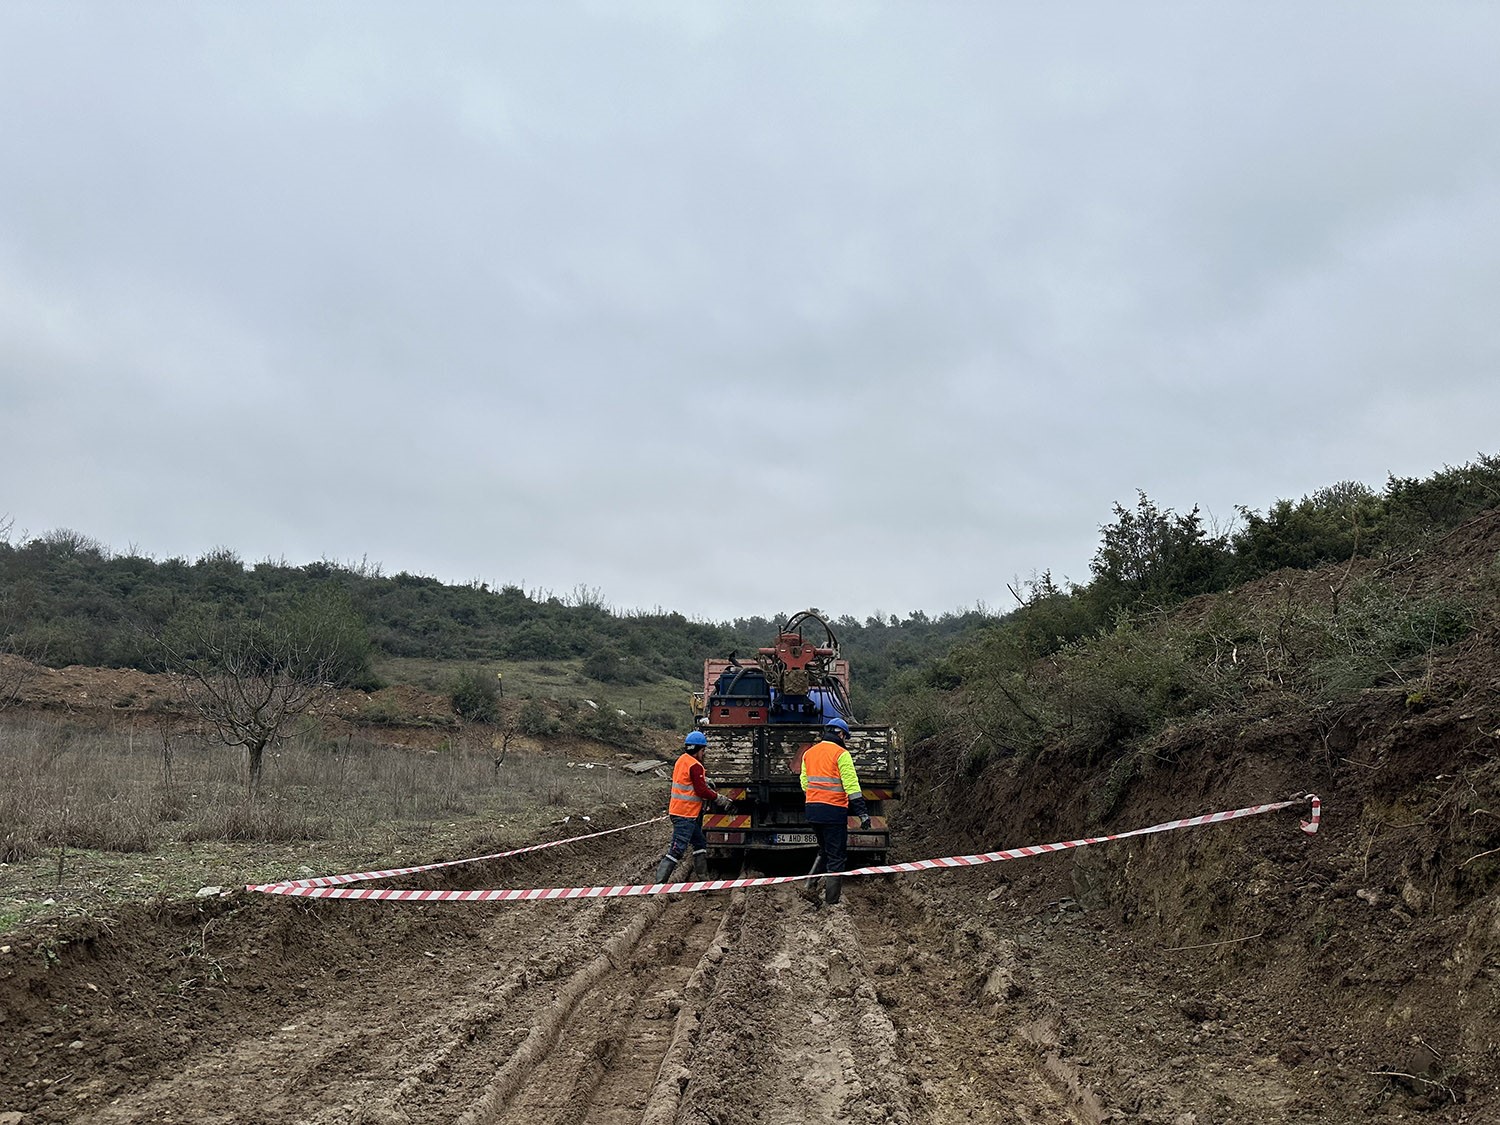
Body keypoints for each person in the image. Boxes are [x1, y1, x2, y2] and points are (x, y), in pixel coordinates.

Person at [799, 716, 871, 906]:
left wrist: (817, 798)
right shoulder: (841, 754)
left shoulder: (809, 753)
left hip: (813, 810)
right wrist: (862, 813)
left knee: (824, 850)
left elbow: (804, 783)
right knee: (837, 856)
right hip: (834, 811)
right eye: (845, 736)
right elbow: (852, 786)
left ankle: (809, 885)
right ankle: (832, 902)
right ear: (840, 734)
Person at [653, 730, 732, 883]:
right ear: (698, 750)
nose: (703, 754)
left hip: (679, 811)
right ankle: (658, 885)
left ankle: (703, 880)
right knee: (677, 850)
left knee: (700, 843)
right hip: (686, 814)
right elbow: (701, 790)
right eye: (703, 750)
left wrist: (703, 779)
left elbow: (689, 780)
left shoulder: (682, 760)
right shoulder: (695, 765)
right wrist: (719, 799)